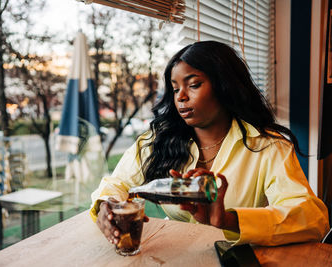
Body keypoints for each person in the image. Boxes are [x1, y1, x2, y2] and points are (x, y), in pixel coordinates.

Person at [90, 41, 330, 246]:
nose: (181, 96)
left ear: (225, 85)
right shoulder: (157, 141)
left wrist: (228, 220)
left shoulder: (268, 146)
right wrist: (106, 207)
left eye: (193, 85)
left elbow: (312, 218)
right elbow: (117, 183)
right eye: (175, 89)